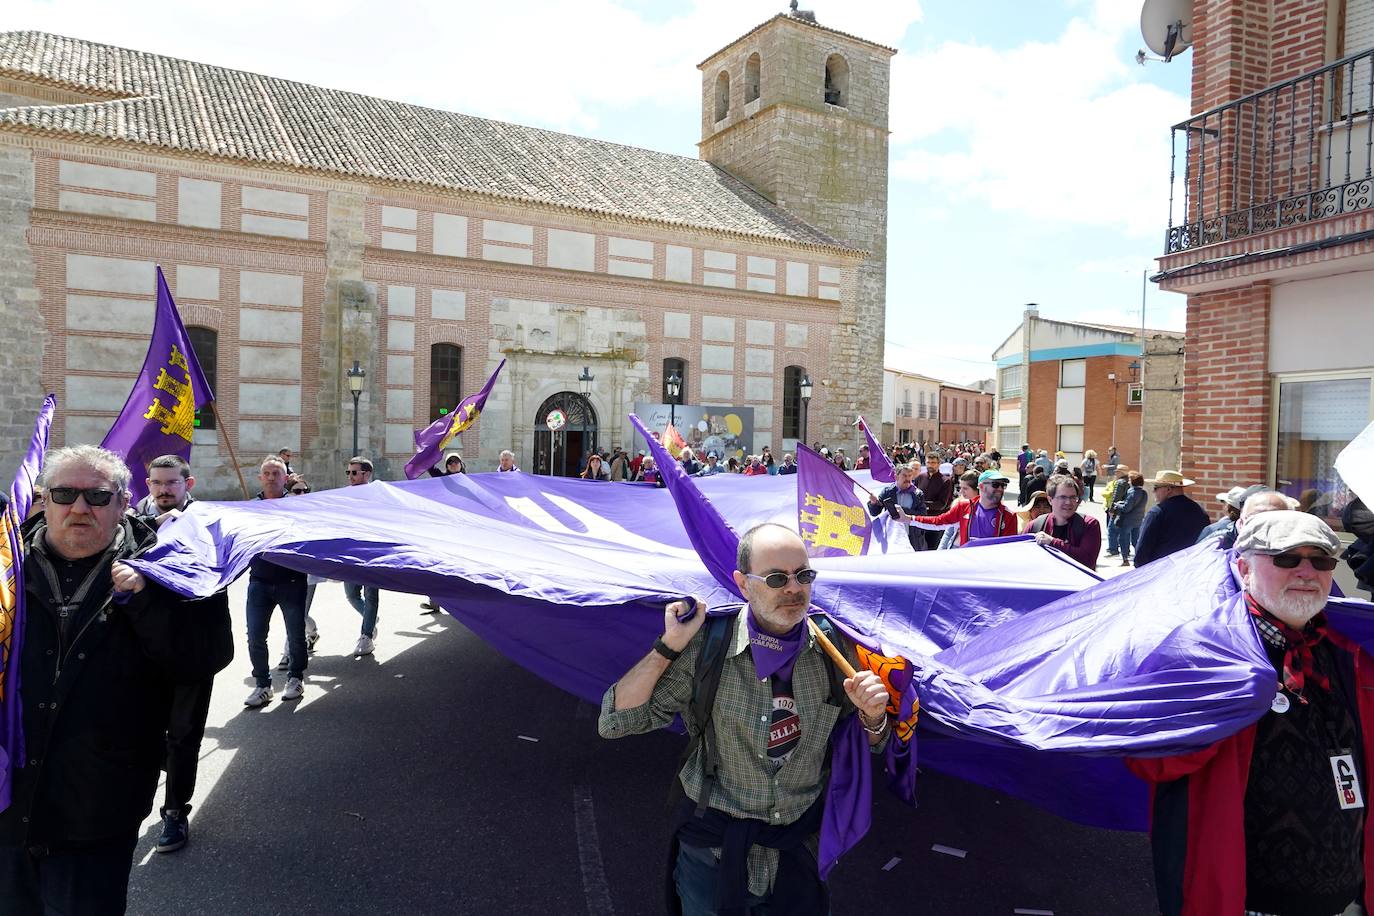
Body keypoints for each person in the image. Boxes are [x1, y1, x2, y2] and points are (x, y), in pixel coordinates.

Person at [597, 524, 892, 913]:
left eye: (804, 575)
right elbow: (617, 722)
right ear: (743, 584)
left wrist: (874, 719)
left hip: (796, 852)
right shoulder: (709, 646)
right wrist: (667, 647)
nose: (793, 588)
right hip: (714, 855)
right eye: (775, 578)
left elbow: (871, 744)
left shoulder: (835, 648)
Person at [1, 446, 232, 911]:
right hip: (6, 801)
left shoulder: (174, 564)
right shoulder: (5, 568)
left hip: (98, 806)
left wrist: (146, 600)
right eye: (65, 493)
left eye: (98, 496)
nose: (80, 507)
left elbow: (203, 659)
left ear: (124, 502)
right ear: (44, 500)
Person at [1127, 512, 1374, 916]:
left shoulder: (1351, 656)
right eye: (1287, 558)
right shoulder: (1201, 651)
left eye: (1322, 560)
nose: (1307, 572)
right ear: (1243, 568)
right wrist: (1215, 705)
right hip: (1246, 903)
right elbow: (1149, 761)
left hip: (1349, 900)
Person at [129, 456, 214, 854]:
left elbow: (216, 575)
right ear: (147, 483)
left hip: (191, 649)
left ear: (188, 482)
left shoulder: (209, 523)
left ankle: (175, 812)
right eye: (157, 483)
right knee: (145, 732)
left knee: (183, 737)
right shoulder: (128, 522)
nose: (164, 490)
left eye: (172, 483)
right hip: (142, 651)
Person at [244, 455, 309, 706]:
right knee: (255, 637)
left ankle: (295, 678)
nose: (271, 478)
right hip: (258, 581)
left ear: (285, 478)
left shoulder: (297, 506)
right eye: (267, 474)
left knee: (295, 635)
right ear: (260, 478)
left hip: (291, 581)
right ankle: (262, 684)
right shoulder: (250, 506)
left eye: (276, 474)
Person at [910, 469, 1019, 547]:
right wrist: (910, 519)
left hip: (989, 568)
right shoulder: (963, 507)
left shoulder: (1009, 516)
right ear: (981, 486)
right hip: (966, 562)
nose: (1000, 488)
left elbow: (1008, 549)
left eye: (1003, 485)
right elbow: (938, 522)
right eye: (995, 484)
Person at [343, 457, 382, 656]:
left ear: (366, 474)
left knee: (371, 594)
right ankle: (371, 618)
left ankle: (366, 636)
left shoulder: (378, 493)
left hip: (372, 552)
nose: (350, 476)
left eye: (354, 473)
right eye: (348, 472)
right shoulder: (344, 494)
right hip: (351, 552)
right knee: (351, 594)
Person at [1134, 470, 1210, 568]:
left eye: (1156, 488)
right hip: (1190, 572)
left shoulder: (1157, 513)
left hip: (1161, 573)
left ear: (1169, 489)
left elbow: (1141, 554)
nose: (1153, 491)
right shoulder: (1200, 512)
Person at [1025, 474, 1102, 569]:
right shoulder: (1034, 526)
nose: (1068, 502)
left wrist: (1052, 542)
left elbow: (1087, 561)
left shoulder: (1089, 524)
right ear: (1050, 500)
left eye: (1073, 497)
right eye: (1063, 497)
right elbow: (1023, 560)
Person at [867, 464, 928, 551]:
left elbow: (923, 515)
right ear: (896, 477)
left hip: (912, 536)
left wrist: (902, 511)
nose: (907, 479)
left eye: (909, 476)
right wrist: (873, 503)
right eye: (904, 475)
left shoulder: (918, 494)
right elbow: (875, 512)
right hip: (892, 536)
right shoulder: (887, 492)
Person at [914, 455, 954, 551]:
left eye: (933, 463)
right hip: (919, 520)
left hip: (935, 521)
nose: (930, 465)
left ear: (939, 464)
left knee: (932, 549)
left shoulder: (945, 481)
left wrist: (923, 504)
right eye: (928, 462)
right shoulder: (920, 477)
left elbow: (941, 504)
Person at [1112, 473, 1148, 566]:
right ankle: (1140, 558)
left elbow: (1126, 508)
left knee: (1123, 539)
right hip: (1138, 520)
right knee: (1136, 540)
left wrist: (1118, 505)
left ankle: (1125, 559)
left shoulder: (1132, 492)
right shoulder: (1144, 493)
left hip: (1127, 521)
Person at [941, 471, 982, 549]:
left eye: (965, 488)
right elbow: (949, 532)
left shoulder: (987, 511)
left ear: (978, 489)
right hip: (954, 547)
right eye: (960, 488)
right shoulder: (958, 504)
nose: (961, 492)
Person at [1102, 465, 1132, 557]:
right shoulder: (1129, 482)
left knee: (1112, 530)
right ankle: (1126, 550)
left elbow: (1116, 497)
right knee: (1125, 532)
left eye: (1117, 472)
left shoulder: (1119, 483)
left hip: (1118, 509)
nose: (1115, 473)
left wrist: (1112, 510)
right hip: (1126, 509)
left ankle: (1113, 549)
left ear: (1121, 473)